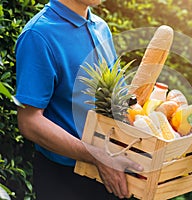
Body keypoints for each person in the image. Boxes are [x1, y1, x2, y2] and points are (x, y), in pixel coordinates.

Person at [15, 0, 143, 199]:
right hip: (65, 180)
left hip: (111, 172)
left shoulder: (101, 27)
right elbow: (29, 121)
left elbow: (121, 100)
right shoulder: (38, 35)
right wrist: (96, 156)